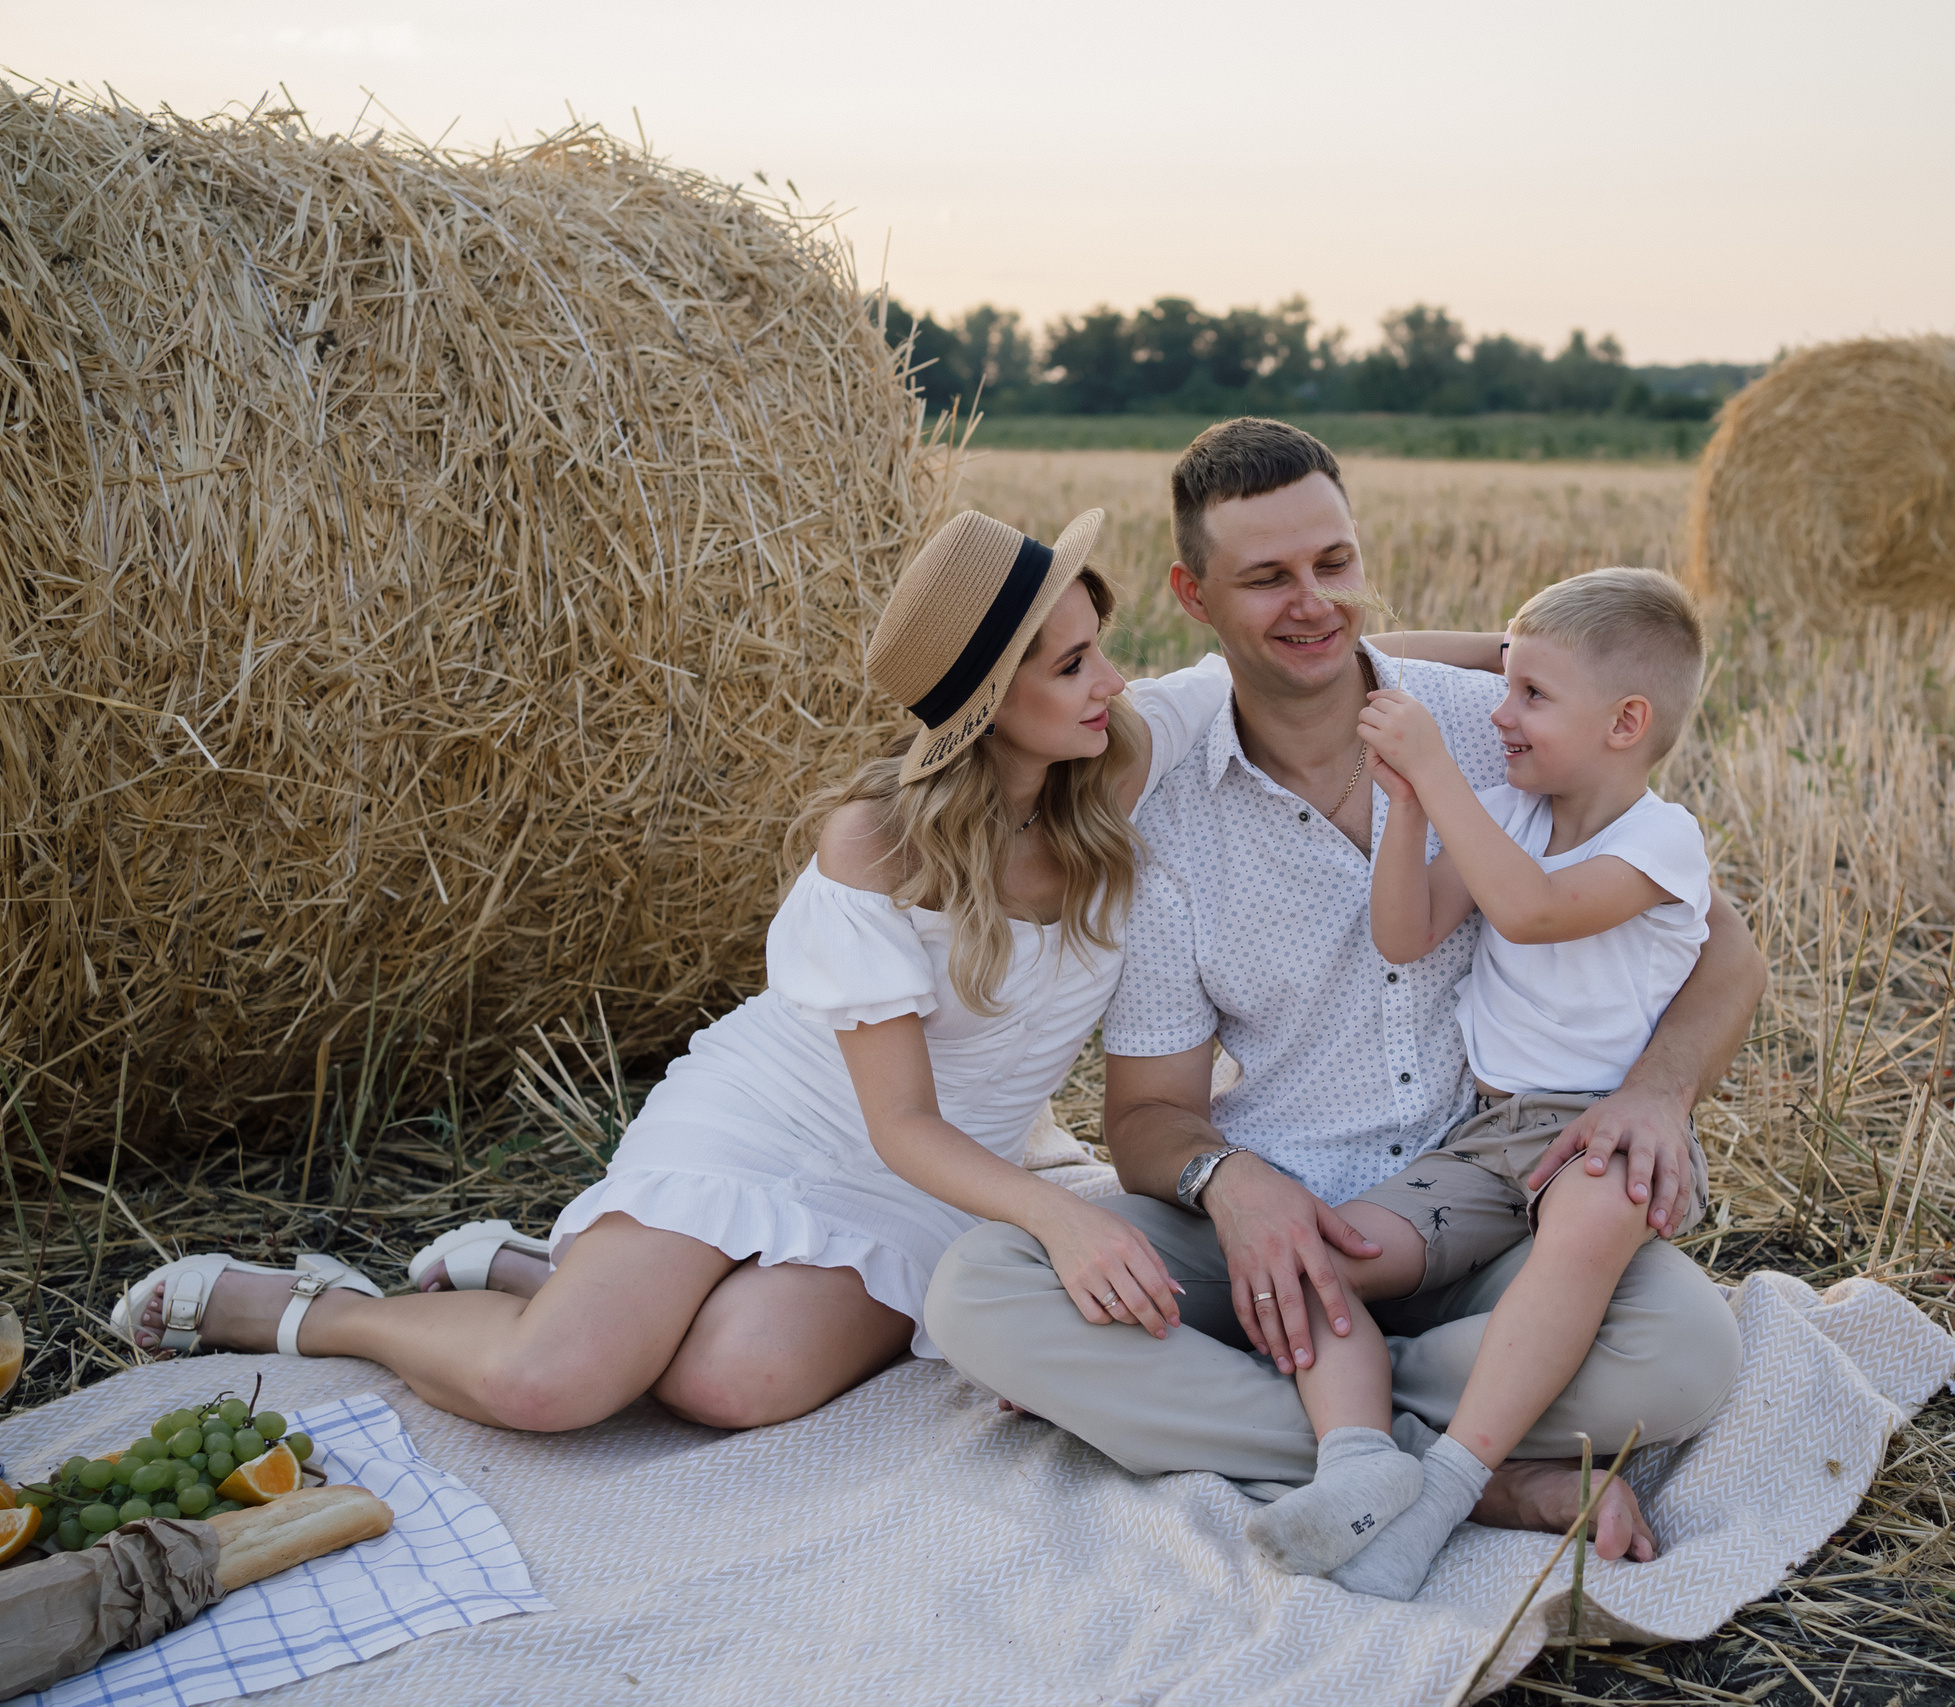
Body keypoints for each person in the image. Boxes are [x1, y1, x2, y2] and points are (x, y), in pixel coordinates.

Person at [112, 510, 1262, 1430]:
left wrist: (1431, 690)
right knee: (548, 1389)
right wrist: (1058, 1221)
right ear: (984, 710)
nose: (1110, 678)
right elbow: (900, 1117)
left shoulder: (1126, 753)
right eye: (1071, 664)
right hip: (782, 1122)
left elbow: (1316, 670)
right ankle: (326, 1314)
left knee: (733, 1384)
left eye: (1098, 644)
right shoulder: (879, 843)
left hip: (922, 1193)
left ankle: (537, 1270)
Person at [926, 420, 1766, 1567]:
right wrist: (1232, 1184)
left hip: (1498, 1202)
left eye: (1333, 563)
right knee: (983, 1291)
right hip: (1275, 1231)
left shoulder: (1497, 730)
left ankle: (1327, 1437)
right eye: (1266, 578)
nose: (1313, 602)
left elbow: (1721, 947)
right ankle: (1468, 1472)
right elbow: (1143, 1120)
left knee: (1684, 1351)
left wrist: (1661, 1093)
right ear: (1194, 594)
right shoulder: (1165, 817)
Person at [1248, 566, 1726, 1598]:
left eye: (1531, 697)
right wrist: (1410, 809)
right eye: (1504, 686)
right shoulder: (1508, 811)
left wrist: (1443, 768)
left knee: (1599, 1214)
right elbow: (1404, 932)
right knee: (1324, 1258)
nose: (1498, 714)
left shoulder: (1661, 842)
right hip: (1483, 1133)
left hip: (1596, 1132)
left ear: (1626, 721)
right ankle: (1359, 1461)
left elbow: (1533, 912)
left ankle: (1449, 1490)